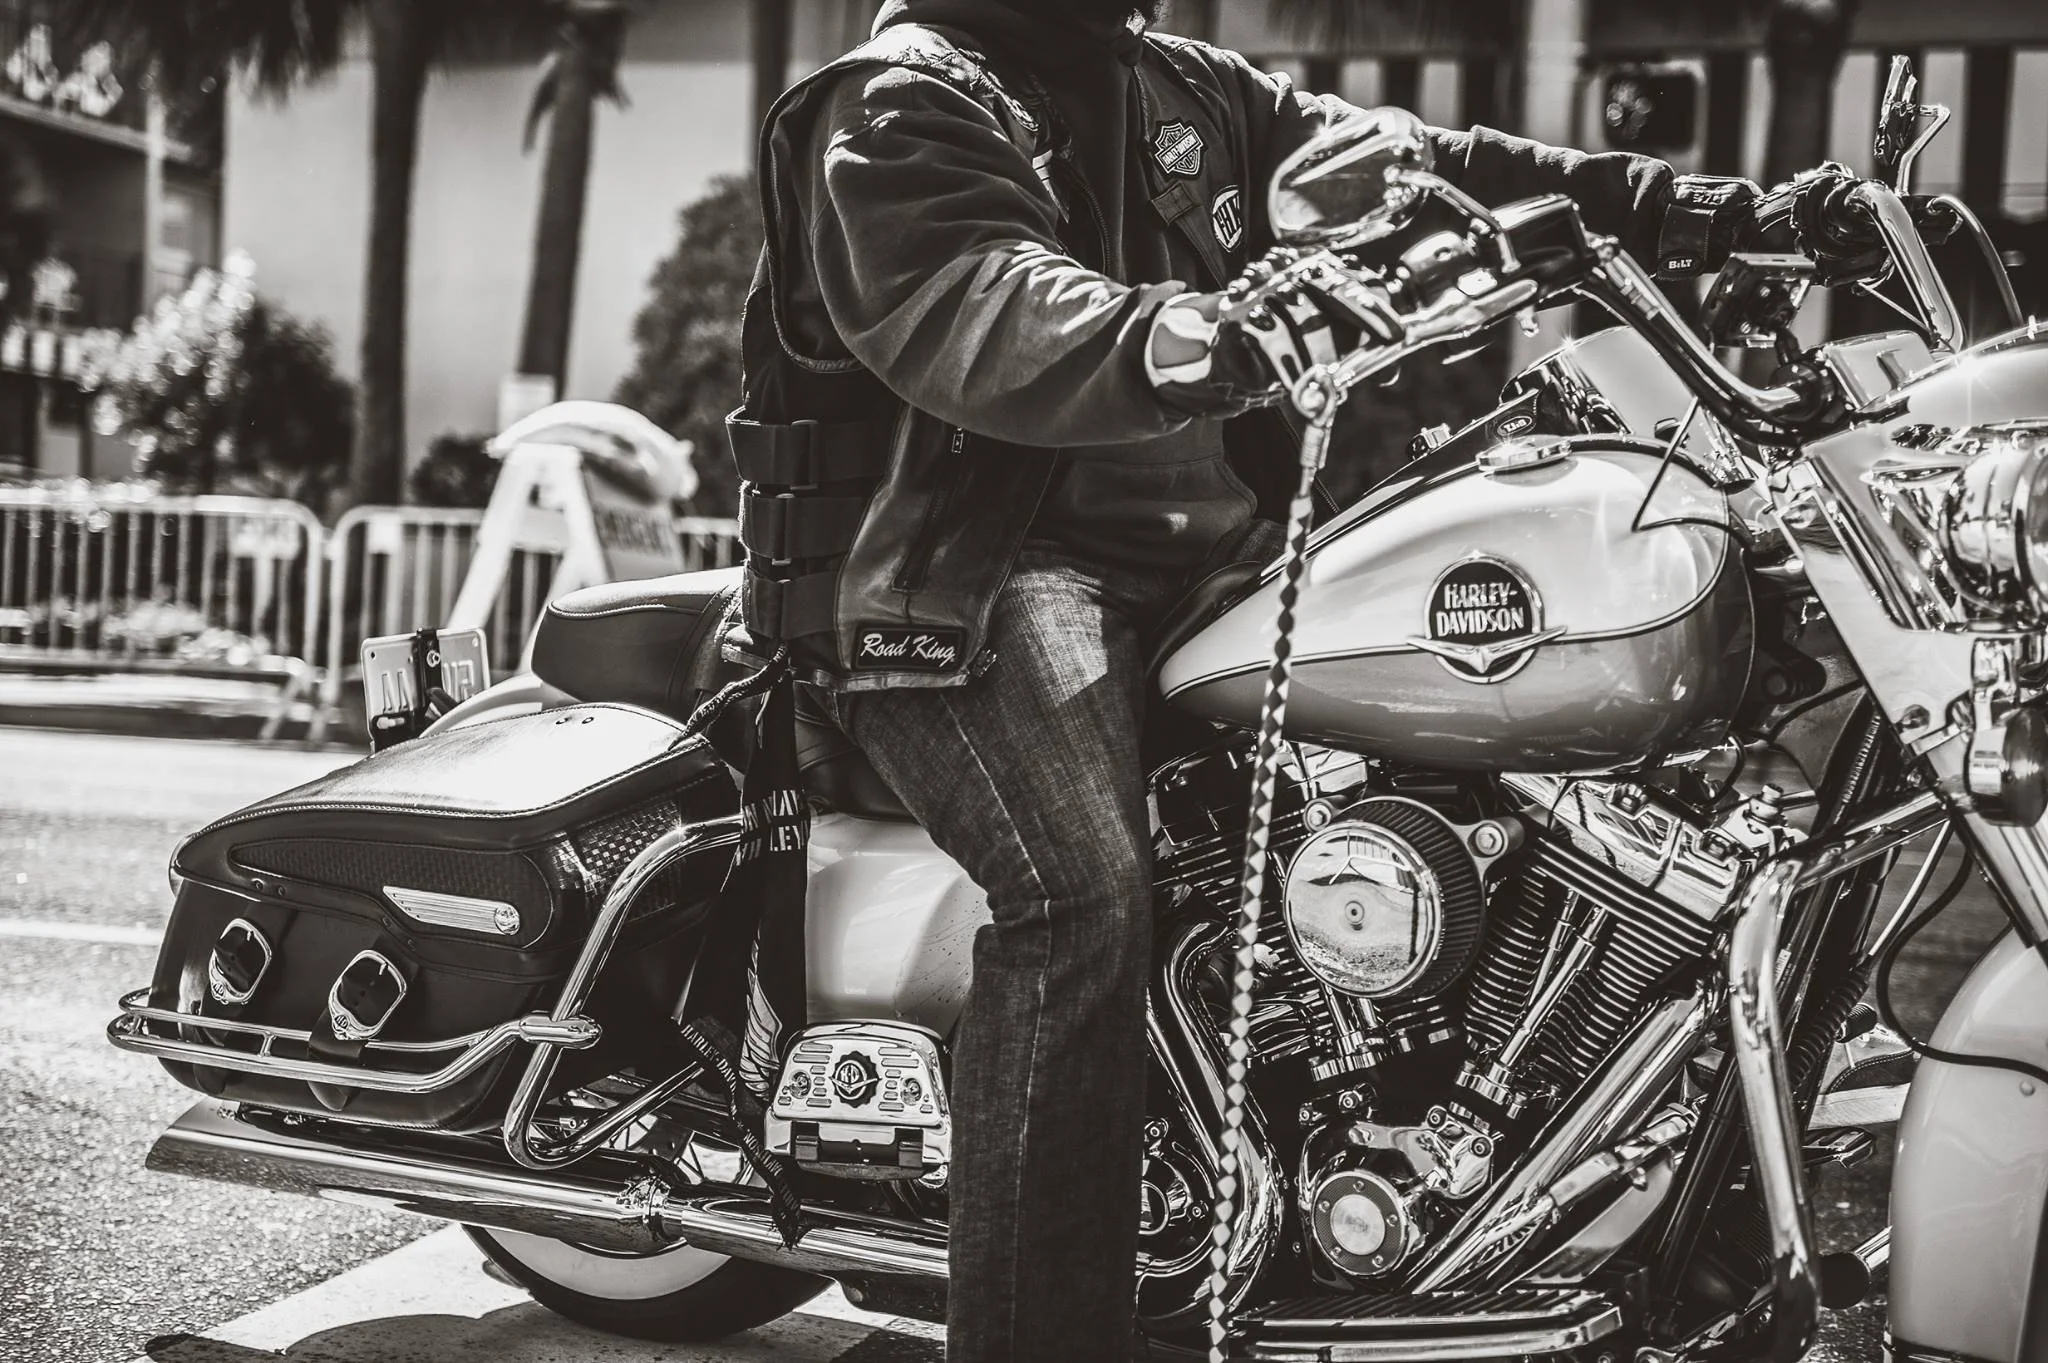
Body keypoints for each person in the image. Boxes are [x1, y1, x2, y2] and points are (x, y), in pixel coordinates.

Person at [726, 3, 1763, 1360]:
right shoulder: (897, 101)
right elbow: (980, 300)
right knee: (1083, 899)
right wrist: (1185, 337)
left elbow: (1420, 164)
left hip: (1203, 574)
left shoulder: (1184, 90)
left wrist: (1695, 211)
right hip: (964, 585)